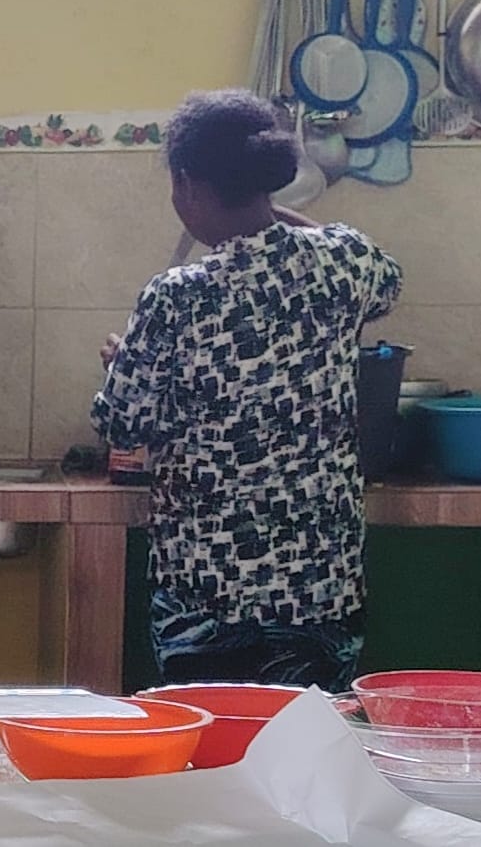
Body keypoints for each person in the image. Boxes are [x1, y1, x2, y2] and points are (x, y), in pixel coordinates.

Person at [92, 88, 402, 693]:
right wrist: (269, 211)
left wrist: (123, 365)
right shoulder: (343, 262)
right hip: (319, 587)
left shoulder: (176, 296)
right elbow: (386, 282)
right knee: (307, 744)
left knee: (212, 744)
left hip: (205, 594)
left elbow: (123, 425)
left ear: (187, 183)